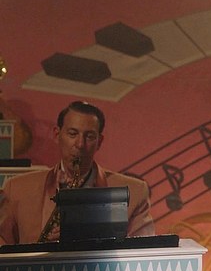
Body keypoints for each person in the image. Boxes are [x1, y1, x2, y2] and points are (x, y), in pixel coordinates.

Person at [0, 101, 154, 244]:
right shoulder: (17, 188)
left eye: (90, 136)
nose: (80, 144)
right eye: (73, 134)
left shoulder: (135, 192)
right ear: (57, 134)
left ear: (99, 142)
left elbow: (144, 254)